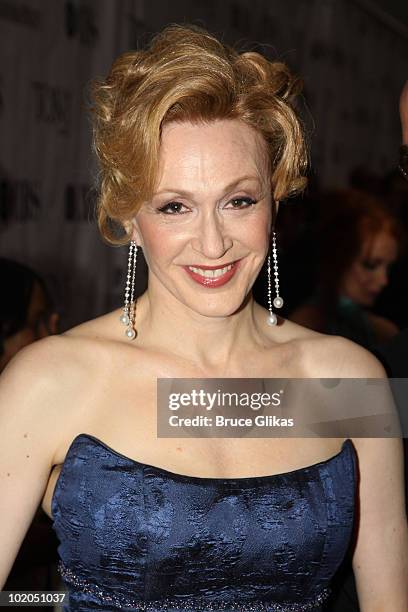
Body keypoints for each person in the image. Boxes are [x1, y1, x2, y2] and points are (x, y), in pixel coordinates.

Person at [0, 24, 407, 611]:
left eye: (239, 200)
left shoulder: (349, 382)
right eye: (175, 206)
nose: (213, 243)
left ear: (275, 199)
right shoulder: (51, 381)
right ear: (129, 218)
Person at [289, 189, 403, 350]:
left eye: (388, 267)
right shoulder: (302, 326)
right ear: (337, 257)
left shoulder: (384, 331)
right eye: (370, 265)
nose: (384, 280)